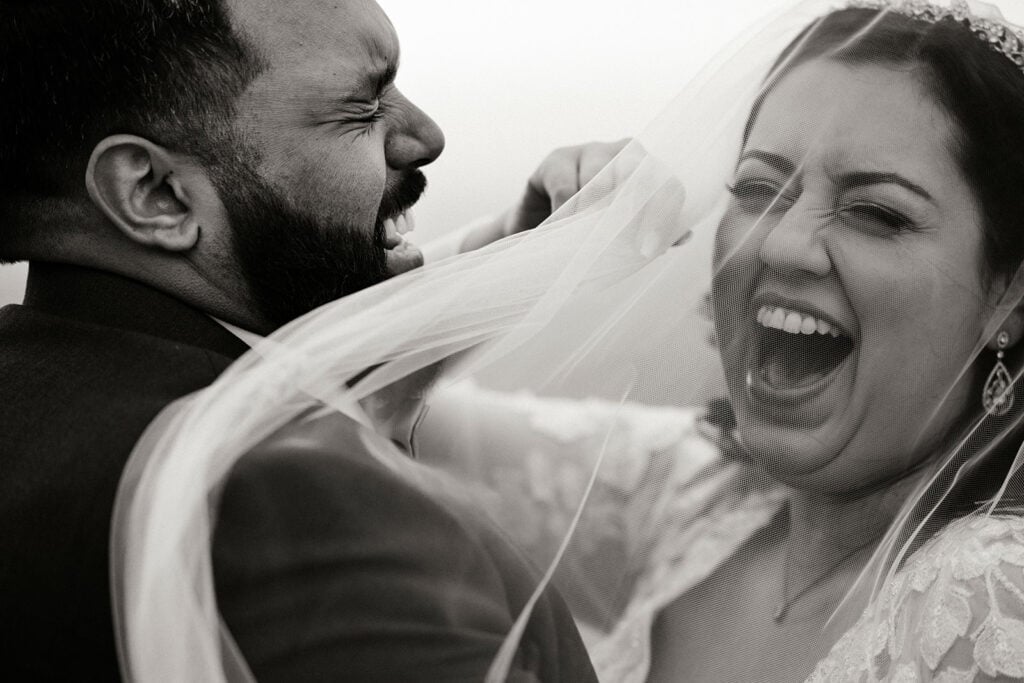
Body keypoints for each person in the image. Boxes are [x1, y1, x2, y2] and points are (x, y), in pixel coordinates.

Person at [110, 0, 1024, 680]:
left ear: (1009, 295)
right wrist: (521, 256)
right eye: (759, 186)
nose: (781, 240)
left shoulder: (992, 602)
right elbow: (348, 420)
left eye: (877, 213)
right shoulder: (694, 502)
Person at [0, 0, 615, 679]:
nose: (426, 135)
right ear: (155, 195)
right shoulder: (289, 490)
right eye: (362, 107)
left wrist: (502, 261)